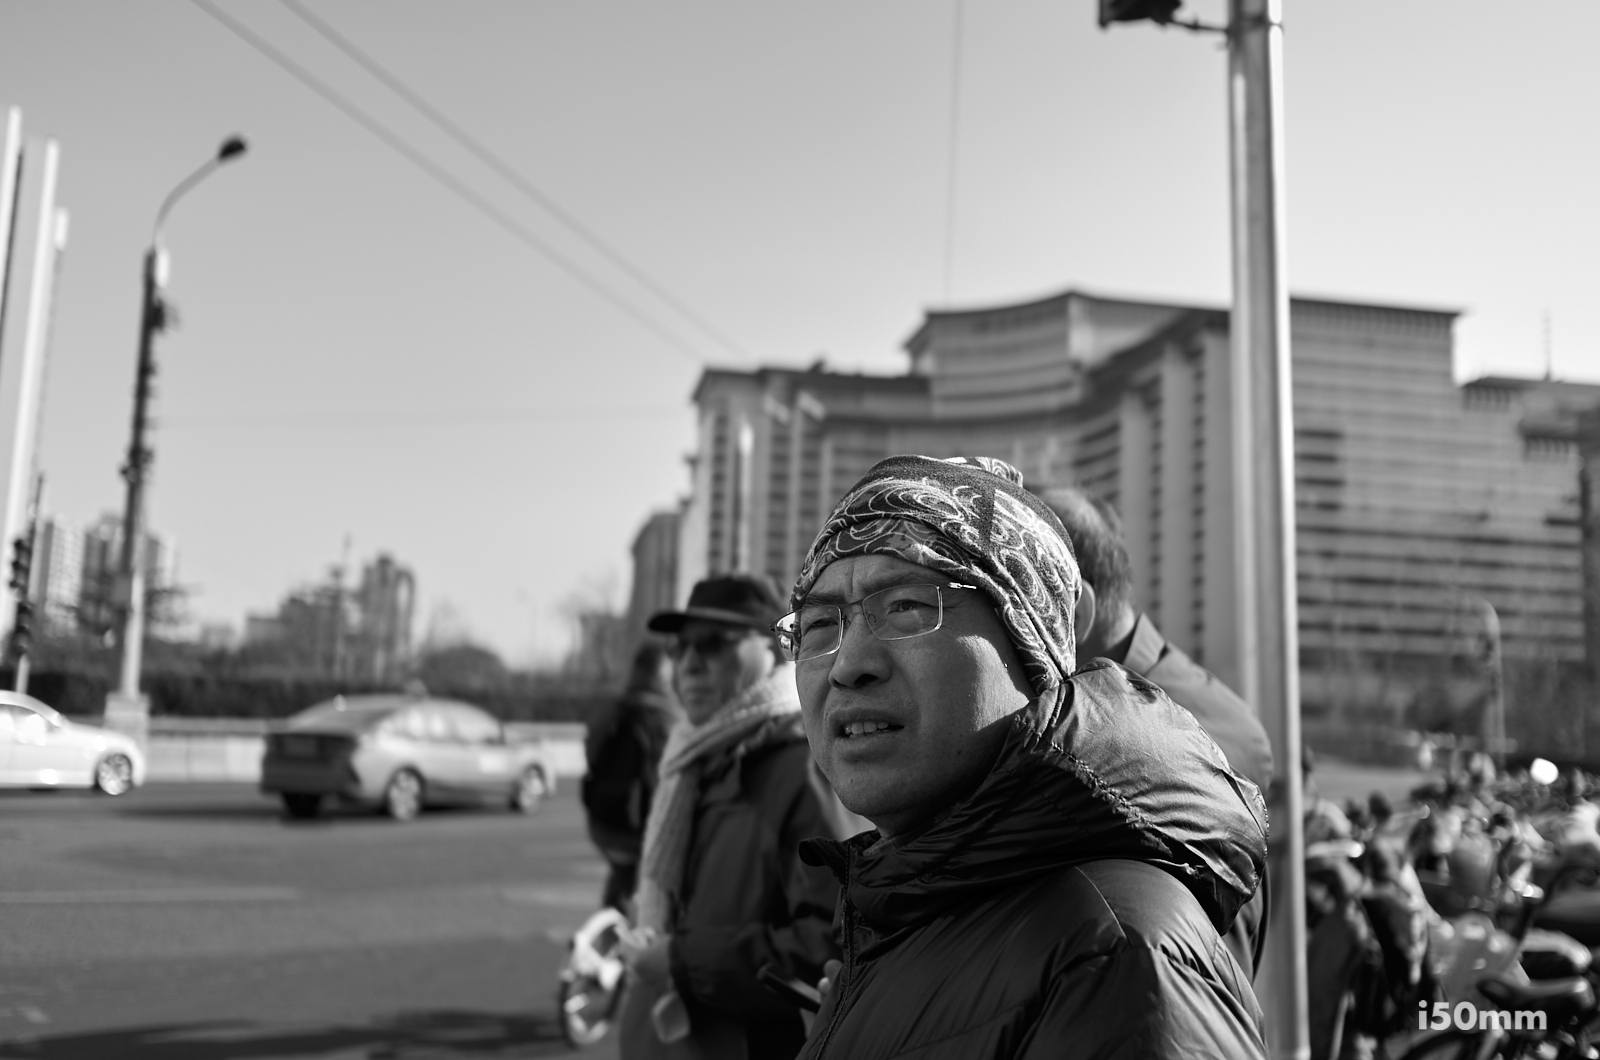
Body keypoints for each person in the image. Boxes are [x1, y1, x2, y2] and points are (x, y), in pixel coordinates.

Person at [785, 454, 1268, 1059]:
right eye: (820, 624)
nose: (849, 664)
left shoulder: (1119, 957)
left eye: (907, 606)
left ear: (1030, 648)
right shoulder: (900, 908)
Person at [1037, 484, 1276, 976]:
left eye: (1018, 600)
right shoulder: (1099, 710)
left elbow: (1200, 978)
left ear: (1075, 609)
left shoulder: (1187, 734)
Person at [617, 573, 843, 1060]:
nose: (690, 662)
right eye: (680, 647)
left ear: (772, 651)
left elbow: (830, 943)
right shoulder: (692, 761)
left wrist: (680, 961)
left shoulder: (804, 768)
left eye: (713, 643)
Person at [583, 642, 682, 912]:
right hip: (639, 830)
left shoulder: (610, 710)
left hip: (602, 824)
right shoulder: (667, 719)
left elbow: (591, 757)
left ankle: (612, 917)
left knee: (622, 877)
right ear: (663, 676)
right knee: (644, 897)